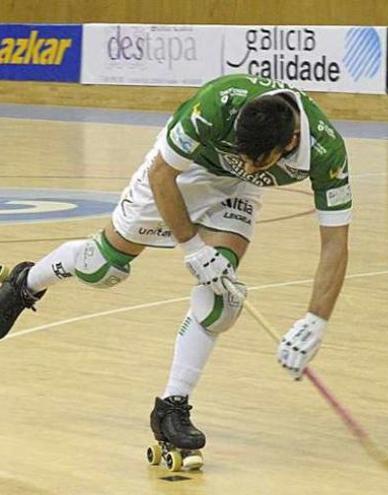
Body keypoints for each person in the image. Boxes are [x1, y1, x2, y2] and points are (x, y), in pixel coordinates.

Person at [0, 74, 351, 465]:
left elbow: (335, 240)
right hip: (182, 171)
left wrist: (316, 321)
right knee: (104, 268)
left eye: (259, 161)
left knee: (222, 299)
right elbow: (161, 174)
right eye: (244, 153)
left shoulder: (327, 153)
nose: (250, 165)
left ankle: (172, 405)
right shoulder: (219, 103)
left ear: (290, 142)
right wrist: (194, 249)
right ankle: (23, 284)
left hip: (235, 191)